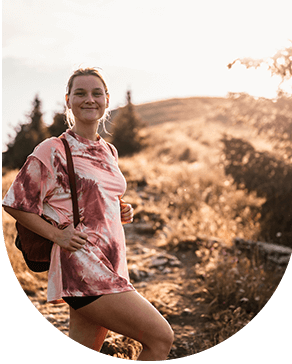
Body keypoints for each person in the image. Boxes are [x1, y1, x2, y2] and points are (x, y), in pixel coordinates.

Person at [2, 67, 174, 360]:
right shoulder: (53, 149)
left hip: (111, 263)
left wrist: (119, 208)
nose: (89, 99)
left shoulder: (109, 151)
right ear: (68, 100)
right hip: (83, 267)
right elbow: (15, 202)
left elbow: (93, 196)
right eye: (80, 93)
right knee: (160, 338)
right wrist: (57, 234)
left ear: (107, 99)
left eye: (96, 93)